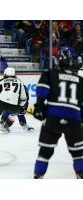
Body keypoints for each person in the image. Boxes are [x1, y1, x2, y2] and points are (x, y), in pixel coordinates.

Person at [33, 51, 83, 179]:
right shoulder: (80, 80)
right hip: (74, 119)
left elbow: (42, 89)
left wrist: (39, 106)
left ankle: (38, 176)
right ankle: (80, 175)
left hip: (53, 117)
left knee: (45, 151)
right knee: (78, 153)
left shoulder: (50, 73)